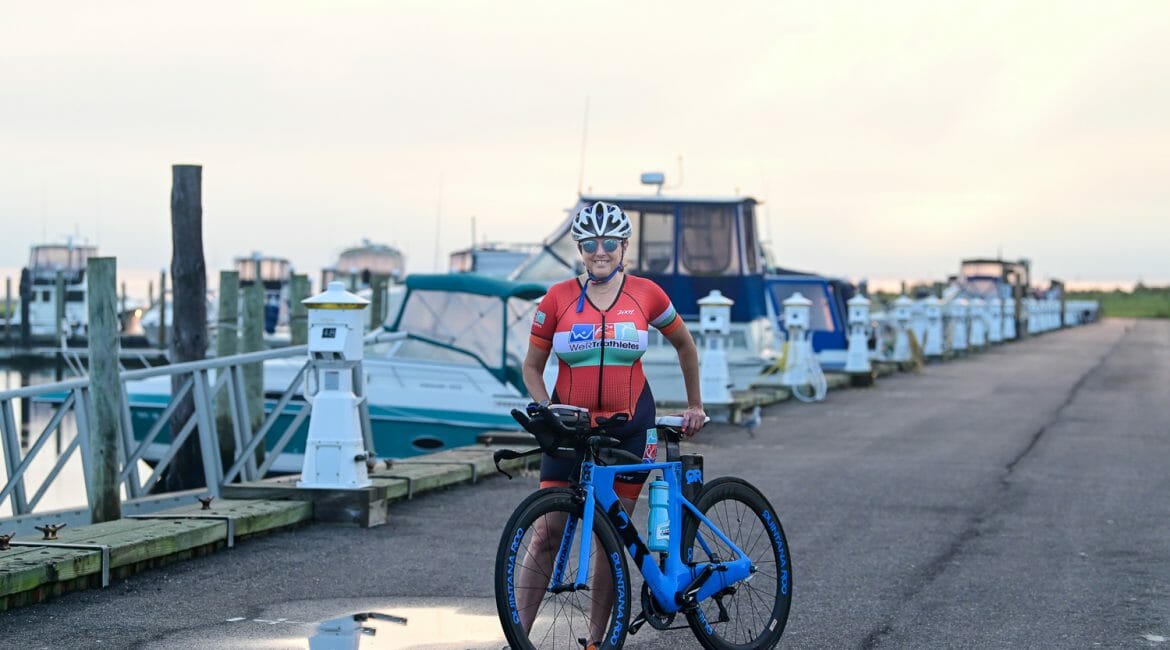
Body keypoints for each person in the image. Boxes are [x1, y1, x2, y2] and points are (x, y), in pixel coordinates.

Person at [515, 200, 707, 647]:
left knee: (608, 540)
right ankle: (518, 636)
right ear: (579, 248)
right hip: (570, 430)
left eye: (608, 243)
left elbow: (685, 345)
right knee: (547, 532)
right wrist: (547, 409)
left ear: (624, 246)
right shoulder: (558, 298)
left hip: (628, 428)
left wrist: (695, 404)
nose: (598, 251)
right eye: (588, 243)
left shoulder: (646, 294)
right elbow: (531, 367)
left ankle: (598, 641)